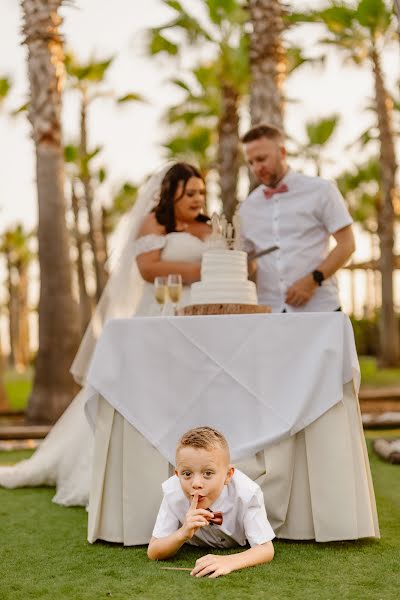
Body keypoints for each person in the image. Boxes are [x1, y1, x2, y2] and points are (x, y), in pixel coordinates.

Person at [0, 162, 211, 507]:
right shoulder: (155, 222)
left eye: (201, 192)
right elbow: (148, 268)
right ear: (172, 193)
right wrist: (202, 270)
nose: (197, 199)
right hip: (159, 312)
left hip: (201, 317)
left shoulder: (207, 227)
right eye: (189, 193)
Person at [239, 124, 356, 312]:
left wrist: (312, 281)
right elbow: (246, 260)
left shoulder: (321, 190)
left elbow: (347, 245)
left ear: (282, 152)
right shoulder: (247, 207)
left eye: (261, 159)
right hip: (270, 312)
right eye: (251, 162)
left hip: (320, 308)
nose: (256, 168)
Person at [148, 426, 275, 578]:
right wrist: (182, 533)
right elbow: (153, 551)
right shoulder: (172, 493)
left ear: (228, 475)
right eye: (187, 474)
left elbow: (266, 549)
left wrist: (229, 562)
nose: (196, 483)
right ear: (177, 475)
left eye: (208, 473)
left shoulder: (247, 494)